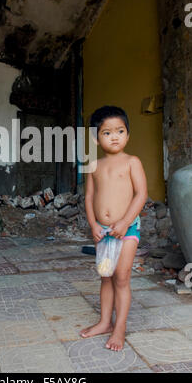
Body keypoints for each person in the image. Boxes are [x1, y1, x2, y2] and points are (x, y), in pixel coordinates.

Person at [80, 105, 148, 351]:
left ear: (128, 134)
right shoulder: (93, 166)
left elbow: (141, 194)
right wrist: (93, 225)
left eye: (120, 130)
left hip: (127, 229)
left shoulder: (132, 162)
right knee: (105, 275)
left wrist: (125, 222)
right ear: (96, 139)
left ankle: (120, 327)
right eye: (107, 132)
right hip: (103, 231)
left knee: (121, 277)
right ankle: (103, 322)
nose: (115, 136)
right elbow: (88, 198)